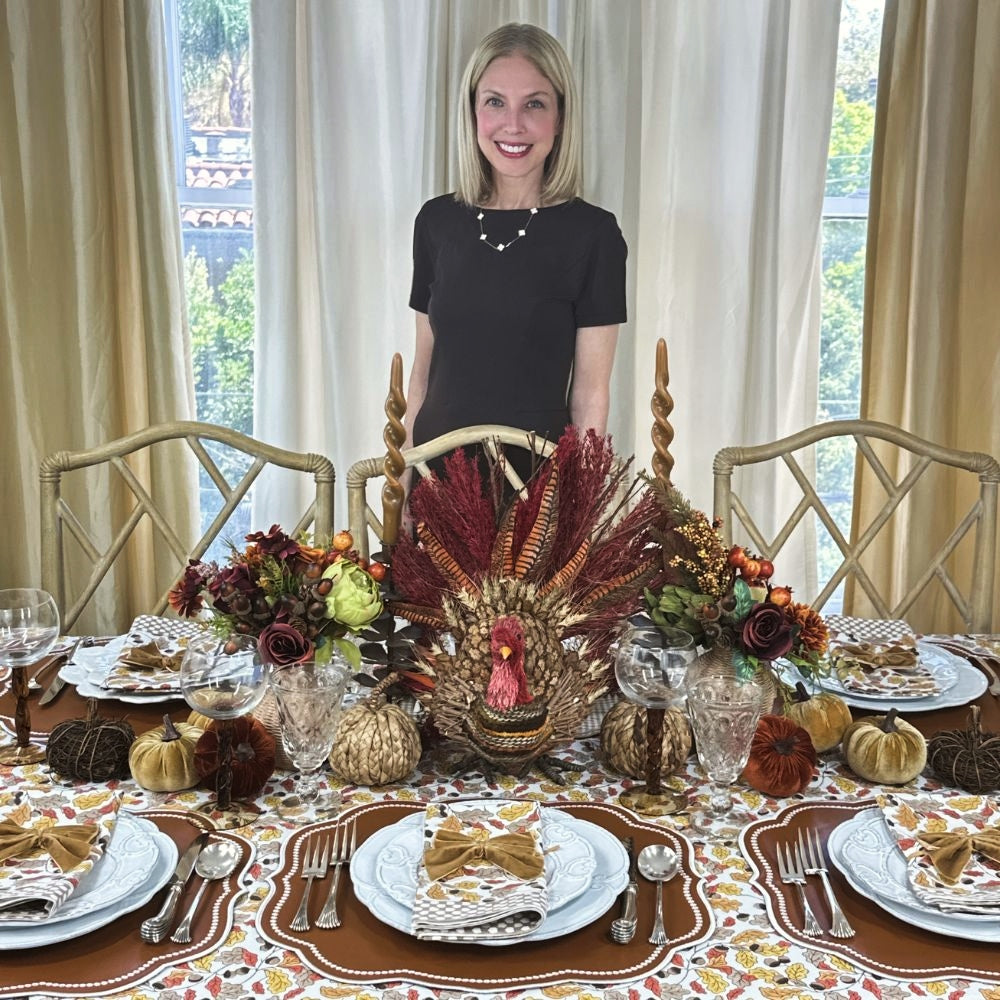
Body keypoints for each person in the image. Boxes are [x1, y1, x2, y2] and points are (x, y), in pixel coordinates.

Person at [404, 22, 627, 491]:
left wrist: (578, 507)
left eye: (535, 104)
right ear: (472, 112)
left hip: (538, 485)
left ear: (560, 117)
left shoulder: (593, 233)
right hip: (437, 475)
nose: (513, 124)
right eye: (495, 102)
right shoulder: (436, 222)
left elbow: (589, 394)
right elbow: (422, 376)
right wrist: (406, 480)